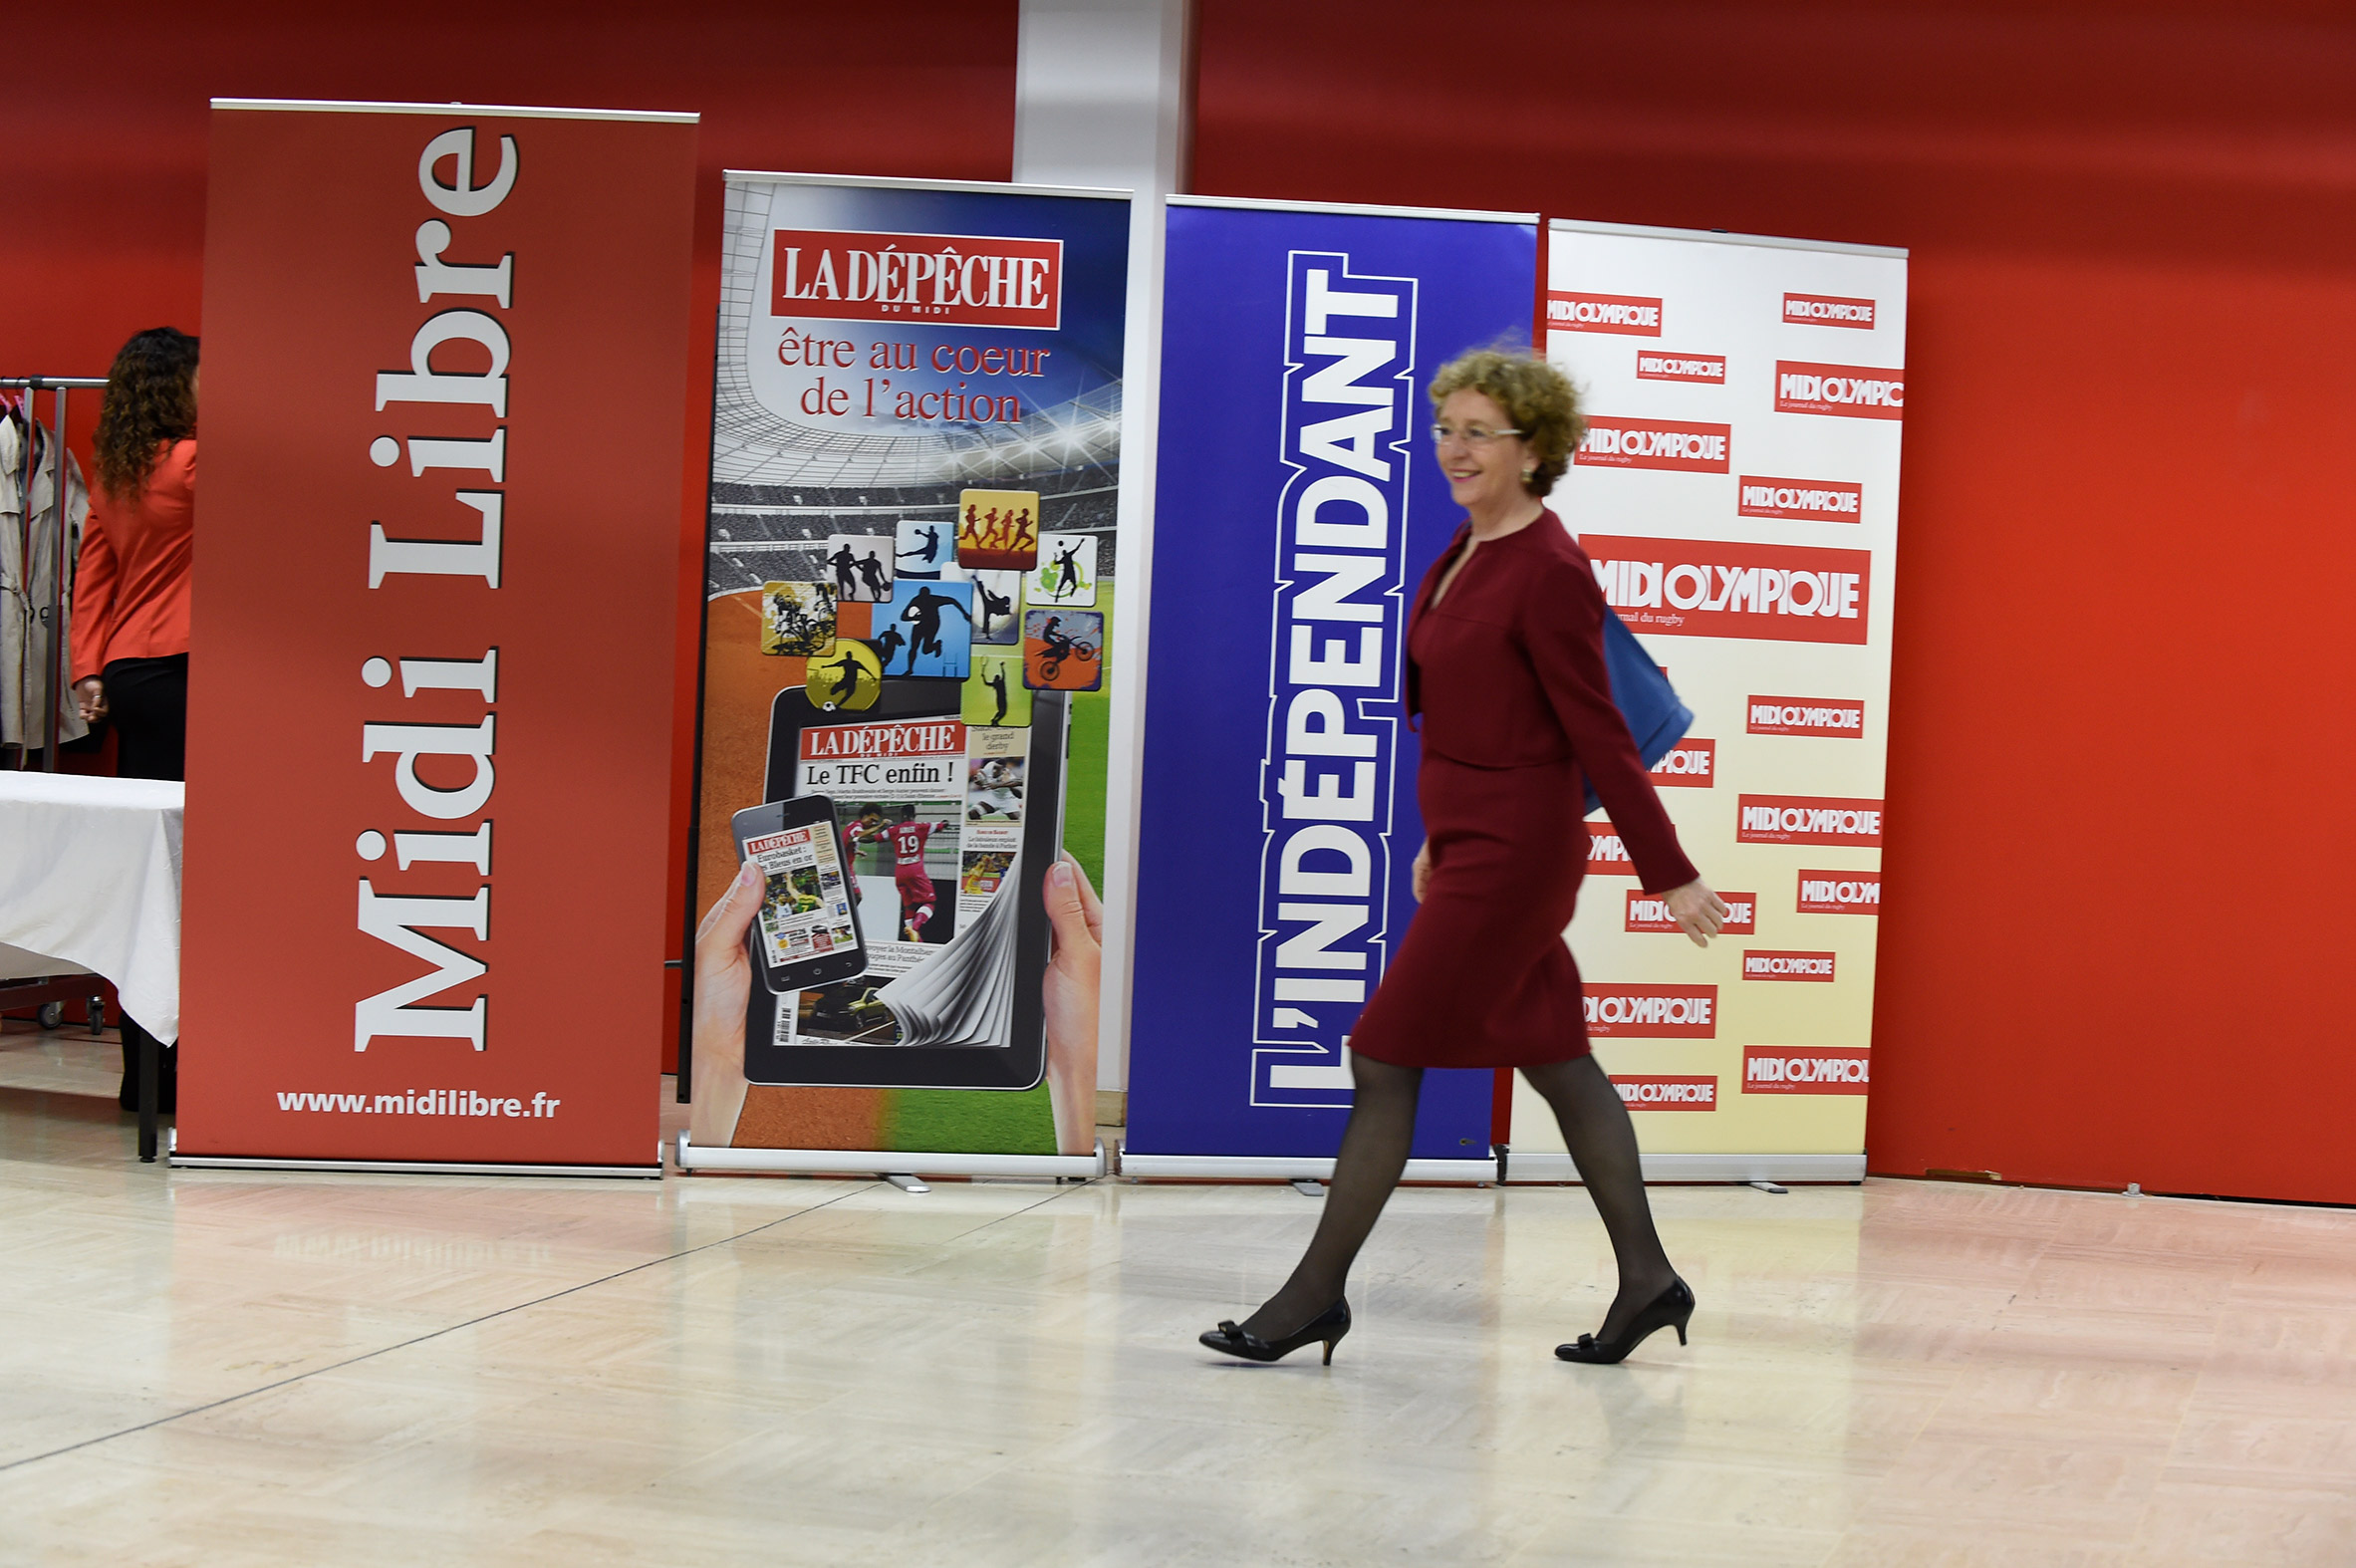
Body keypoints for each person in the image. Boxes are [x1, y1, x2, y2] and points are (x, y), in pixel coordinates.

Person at [1199, 349, 1730, 1369]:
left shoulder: (1551, 571)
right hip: (1475, 842)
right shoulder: (1467, 547)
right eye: (1446, 427)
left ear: (1534, 451)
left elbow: (1599, 737)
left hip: (1518, 856)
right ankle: (1648, 1281)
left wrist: (1667, 870)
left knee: (1383, 1053)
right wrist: (1441, 833)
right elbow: (1463, 716)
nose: (1454, 448)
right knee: (1559, 1060)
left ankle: (1312, 1296)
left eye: (1478, 432)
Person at [71, 328, 200, 1116]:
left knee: (152, 874)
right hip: (193, 673)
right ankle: (189, 1071)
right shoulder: (194, 462)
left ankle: (140, 1075)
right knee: (199, 879)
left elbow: (95, 572)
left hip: (131, 675)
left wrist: (87, 669)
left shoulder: (117, 470)